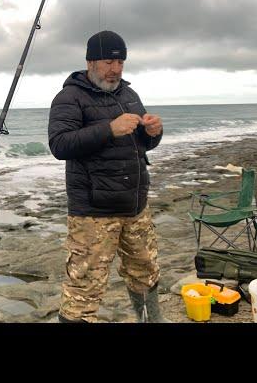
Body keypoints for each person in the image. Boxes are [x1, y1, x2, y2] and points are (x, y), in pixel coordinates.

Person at [48, 30, 169, 323]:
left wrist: (154, 133)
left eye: (121, 63)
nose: (115, 70)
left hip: (135, 206)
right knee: (84, 288)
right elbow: (59, 144)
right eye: (108, 62)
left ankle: (152, 320)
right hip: (93, 212)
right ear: (90, 62)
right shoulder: (69, 97)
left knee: (145, 271)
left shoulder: (129, 94)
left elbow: (141, 144)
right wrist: (108, 129)